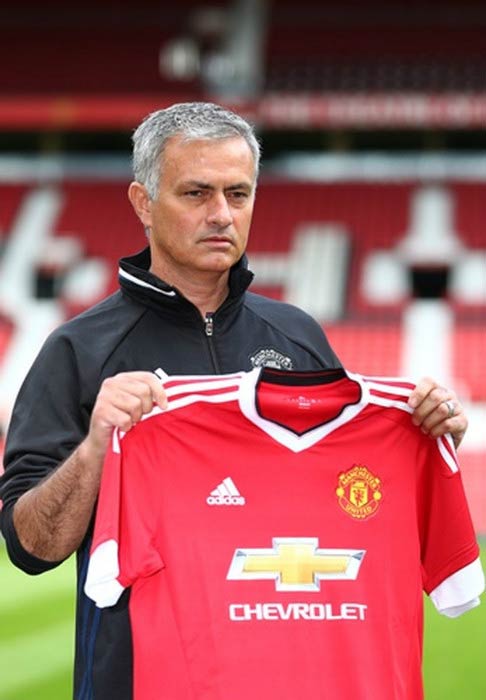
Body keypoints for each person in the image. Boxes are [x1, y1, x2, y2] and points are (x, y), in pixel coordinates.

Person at [0, 102, 469, 699]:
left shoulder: (297, 337)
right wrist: (97, 448)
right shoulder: (78, 351)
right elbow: (31, 547)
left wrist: (427, 441)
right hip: (141, 684)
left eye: (238, 194)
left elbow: (343, 493)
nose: (221, 214)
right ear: (144, 203)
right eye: (196, 193)